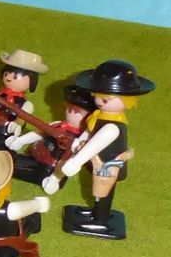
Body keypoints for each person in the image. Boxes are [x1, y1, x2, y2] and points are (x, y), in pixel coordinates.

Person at [61, 60, 155, 240]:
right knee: (99, 189)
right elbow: (90, 131)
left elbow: (95, 144)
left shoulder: (112, 127)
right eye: (97, 96)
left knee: (103, 190)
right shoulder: (100, 117)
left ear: (127, 101)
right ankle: (96, 213)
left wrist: (76, 161)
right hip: (99, 162)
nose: (99, 102)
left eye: (105, 100)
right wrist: (79, 141)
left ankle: (101, 218)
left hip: (108, 165)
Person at [6, 84, 95, 194]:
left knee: (14, 169)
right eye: (69, 108)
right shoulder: (58, 125)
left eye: (76, 111)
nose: (70, 112)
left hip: (49, 170)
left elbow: (67, 161)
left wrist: (55, 179)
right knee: (11, 160)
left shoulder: (78, 140)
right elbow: (39, 133)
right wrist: (20, 141)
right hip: (34, 157)